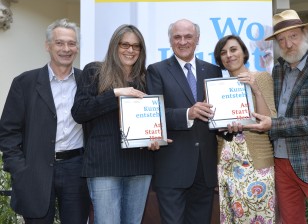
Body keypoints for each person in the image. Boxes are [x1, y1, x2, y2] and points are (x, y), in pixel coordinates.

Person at [244, 9, 308, 224]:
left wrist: (272, 125)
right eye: (282, 39)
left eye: (293, 36)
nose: (288, 44)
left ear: (305, 35)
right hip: (281, 162)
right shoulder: (277, 72)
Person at [0, 18, 91, 223]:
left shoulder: (88, 81)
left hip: (77, 170)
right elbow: (8, 131)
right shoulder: (24, 82)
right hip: (34, 171)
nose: (66, 49)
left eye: (71, 43)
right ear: (47, 46)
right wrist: (19, 169)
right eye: (59, 43)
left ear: (77, 47)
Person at [71, 24, 157, 224]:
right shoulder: (94, 71)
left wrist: (155, 138)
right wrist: (116, 93)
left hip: (140, 163)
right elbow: (79, 112)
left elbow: (155, 116)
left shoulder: (147, 78)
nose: (130, 50)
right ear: (114, 46)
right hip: (104, 165)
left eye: (136, 46)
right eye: (124, 44)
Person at [146, 19, 223, 224]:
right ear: (170, 41)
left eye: (188, 36)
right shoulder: (156, 70)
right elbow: (156, 114)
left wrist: (230, 126)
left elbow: (218, 116)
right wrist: (187, 113)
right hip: (172, 168)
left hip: (204, 170)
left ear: (197, 39)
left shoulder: (213, 71)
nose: (182, 41)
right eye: (177, 37)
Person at [213, 35, 277, 223]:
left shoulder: (261, 77)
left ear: (244, 52)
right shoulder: (218, 87)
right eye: (223, 52)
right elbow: (217, 129)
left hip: (254, 162)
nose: (229, 55)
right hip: (226, 163)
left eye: (233, 49)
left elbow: (270, 119)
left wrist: (255, 89)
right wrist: (224, 128)